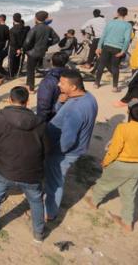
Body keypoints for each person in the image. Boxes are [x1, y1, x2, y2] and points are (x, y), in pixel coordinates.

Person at [0, 86, 51, 242]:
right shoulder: (40, 123)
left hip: (4, 169)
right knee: (36, 200)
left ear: (9, 100)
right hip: (32, 173)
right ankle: (38, 233)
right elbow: (47, 150)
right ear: (27, 101)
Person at [84, 103, 138, 232]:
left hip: (120, 163)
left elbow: (115, 147)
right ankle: (127, 223)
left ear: (129, 114)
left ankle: (93, 202)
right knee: (129, 194)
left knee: (104, 183)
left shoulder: (123, 128)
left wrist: (106, 161)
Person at [44, 69, 98, 221]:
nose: (58, 85)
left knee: (55, 182)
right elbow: (62, 115)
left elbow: (68, 139)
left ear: (73, 87)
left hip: (63, 152)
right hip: (74, 148)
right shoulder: (88, 97)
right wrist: (61, 102)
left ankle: (49, 213)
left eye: (62, 83)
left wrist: (54, 152)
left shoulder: (76, 109)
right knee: (54, 178)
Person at [94, 7, 133, 92]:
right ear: (126, 14)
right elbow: (127, 40)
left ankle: (97, 83)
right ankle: (115, 87)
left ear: (117, 13)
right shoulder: (128, 25)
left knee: (101, 65)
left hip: (107, 46)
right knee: (115, 67)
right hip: (118, 48)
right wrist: (123, 51)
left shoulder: (110, 22)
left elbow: (103, 35)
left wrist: (99, 47)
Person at [22, 10, 60, 93]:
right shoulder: (49, 28)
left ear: (36, 18)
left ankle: (31, 88)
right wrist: (47, 44)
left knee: (30, 70)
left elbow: (27, 42)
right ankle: (28, 84)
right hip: (42, 52)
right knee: (32, 69)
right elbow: (57, 39)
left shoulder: (34, 29)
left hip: (32, 52)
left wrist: (25, 49)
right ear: (45, 19)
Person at [36, 52, 69, 122]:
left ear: (51, 62)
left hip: (51, 117)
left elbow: (43, 105)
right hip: (65, 114)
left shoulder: (48, 81)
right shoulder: (71, 76)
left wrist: (40, 121)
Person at [8, 13, 27, 78]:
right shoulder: (25, 28)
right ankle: (16, 72)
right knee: (18, 60)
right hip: (22, 47)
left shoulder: (12, 30)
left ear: (13, 19)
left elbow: (13, 42)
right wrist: (21, 48)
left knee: (12, 61)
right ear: (20, 18)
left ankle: (11, 75)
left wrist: (17, 49)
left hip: (14, 48)